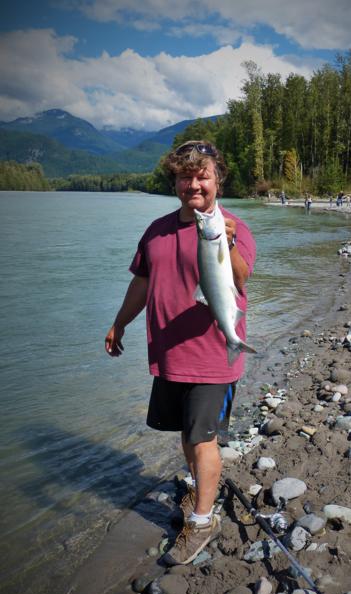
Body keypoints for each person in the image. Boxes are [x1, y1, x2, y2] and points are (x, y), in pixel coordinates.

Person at [104, 140, 256, 566]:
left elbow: (241, 279)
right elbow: (142, 283)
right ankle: (197, 486)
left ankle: (204, 520)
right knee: (186, 435)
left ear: (217, 180)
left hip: (213, 356)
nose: (193, 184)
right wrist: (120, 323)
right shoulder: (156, 229)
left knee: (202, 438)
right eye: (185, 177)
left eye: (202, 176)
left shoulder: (232, 227)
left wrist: (225, 242)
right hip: (169, 355)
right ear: (175, 181)